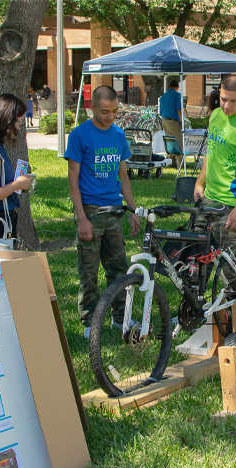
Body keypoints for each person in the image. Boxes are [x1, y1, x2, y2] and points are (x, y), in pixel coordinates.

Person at [65, 85, 140, 338]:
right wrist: (82, 218)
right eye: (105, 112)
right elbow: (72, 180)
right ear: (92, 108)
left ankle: (120, 318)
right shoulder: (79, 135)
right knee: (89, 270)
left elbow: (124, 176)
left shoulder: (118, 135)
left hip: (114, 211)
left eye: (115, 111)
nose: (110, 117)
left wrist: (132, 210)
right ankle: (90, 322)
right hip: (91, 211)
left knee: (118, 268)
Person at [193, 74, 236, 273]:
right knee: (196, 262)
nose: (227, 106)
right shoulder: (215, 115)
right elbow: (212, 152)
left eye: (233, 101)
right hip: (209, 199)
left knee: (233, 269)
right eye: (224, 99)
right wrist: (200, 182)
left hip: (233, 204)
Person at [0, 94, 33, 240]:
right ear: (7, 121)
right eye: (19, 122)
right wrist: (16, 185)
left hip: (2, 219)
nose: (19, 127)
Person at [159, 79, 182, 167]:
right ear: (177, 87)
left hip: (164, 120)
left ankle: (171, 162)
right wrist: (182, 121)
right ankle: (180, 163)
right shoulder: (177, 95)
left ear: (168, 86)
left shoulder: (163, 96)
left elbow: (161, 112)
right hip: (173, 121)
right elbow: (179, 109)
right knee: (178, 141)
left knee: (169, 141)